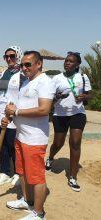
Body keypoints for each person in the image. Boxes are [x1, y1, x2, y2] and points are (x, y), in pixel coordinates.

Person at [4, 51, 55, 220]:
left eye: (28, 64)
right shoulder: (26, 82)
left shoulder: (45, 82)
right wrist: (9, 117)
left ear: (39, 64)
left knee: (36, 176)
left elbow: (44, 109)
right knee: (22, 172)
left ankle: (39, 213)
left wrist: (16, 111)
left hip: (34, 139)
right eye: (22, 65)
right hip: (21, 136)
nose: (24, 68)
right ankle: (27, 201)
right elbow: (17, 107)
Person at [46, 52, 92, 192]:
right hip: (60, 114)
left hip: (77, 113)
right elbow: (51, 99)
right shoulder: (56, 78)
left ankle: (72, 177)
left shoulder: (83, 77)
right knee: (58, 143)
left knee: (75, 142)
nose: (67, 63)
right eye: (66, 61)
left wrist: (84, 96)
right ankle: (51, 157)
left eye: (71, 61)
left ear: (77, 64)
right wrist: (58, 97)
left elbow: (89, 95)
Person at [0, 46, 26, 186]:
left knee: (13, 145)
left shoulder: (22, 73)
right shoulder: (5, 71)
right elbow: (2, 91)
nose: (9, 59)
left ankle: (18, 172)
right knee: (2, 144)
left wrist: (15, 111)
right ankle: (5, 171)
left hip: (13, 114)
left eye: (12, 56)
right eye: (6, 57)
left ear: (18, 55)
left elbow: (24, 95)